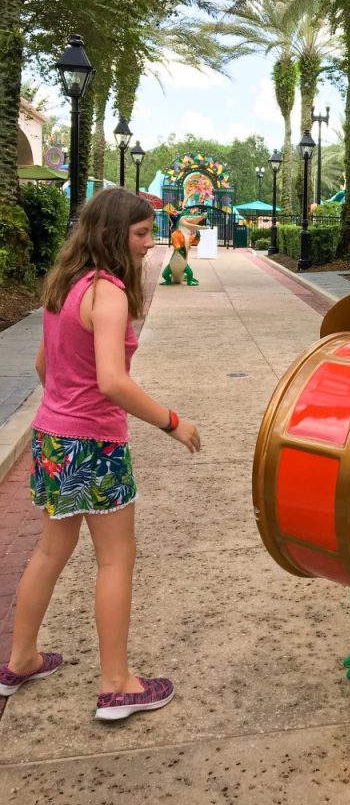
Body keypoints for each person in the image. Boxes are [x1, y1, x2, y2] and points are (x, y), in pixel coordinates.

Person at [0, 188, 201, 721]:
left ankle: (20, 658)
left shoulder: (65, 286)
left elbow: (46, 366)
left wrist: (65, 403)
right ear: (113, 235)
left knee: (50, 551)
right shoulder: (107, 293)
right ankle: (117, 684)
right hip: (94, 444)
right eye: (139, 234)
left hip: (52, 438)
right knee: (115, 559)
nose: (148, 243)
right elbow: (112, 381)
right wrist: (172, 422)